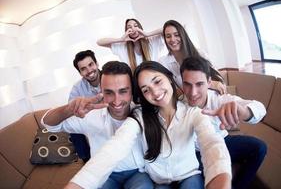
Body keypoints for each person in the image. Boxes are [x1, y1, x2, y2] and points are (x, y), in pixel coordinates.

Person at [66, 61, 232, 189]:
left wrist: (222, 178)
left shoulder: (193, 113)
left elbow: (211, 144)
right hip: (159, 182)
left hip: (189, 176)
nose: (155, 92)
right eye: (145, 89)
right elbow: (115, 148)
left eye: (157, 81)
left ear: (169, 77)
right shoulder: (140, 116)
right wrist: (78, 184)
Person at [41, 61, 154, 189]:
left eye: (123, 91)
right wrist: (69, 108)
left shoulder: (144, 113)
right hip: (105, 176)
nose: (116, 101)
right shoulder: (90, 115)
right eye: (109, 92)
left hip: (138, 173)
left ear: (132, 91)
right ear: (101, 90)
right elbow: (47, 123)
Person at [180, 56, 267, 189]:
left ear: (209, 82)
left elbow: (260, 108)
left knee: (260, 147)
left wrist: (244, 111)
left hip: (223, 141)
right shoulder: (178, 106)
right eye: (187, 84)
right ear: (182, 83)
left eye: (199, 84)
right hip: (196, 153)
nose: (193, 93)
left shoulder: (219, 99)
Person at [159, 20, 225, 93]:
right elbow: (170, 91)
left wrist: (213, 84)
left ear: (183, 35)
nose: (172, 39)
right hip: (185, 102)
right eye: (168, 36)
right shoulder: (163, 63)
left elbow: (218, 80)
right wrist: (147, 34)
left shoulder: (200, 53)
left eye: (176, 35)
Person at [97, 18, 165, 71]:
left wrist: (147, 34)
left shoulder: (152, 41)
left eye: (135, 26)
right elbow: (99, 42)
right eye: (129, 27)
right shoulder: (122, 47)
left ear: (140, 28)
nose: (133, 29)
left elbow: (166, 29)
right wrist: (120, 39)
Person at [69, 50, 101, 162]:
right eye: (83, 69)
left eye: (91, 64)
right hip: (92, 120)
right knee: (73, 125)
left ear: (97, 64)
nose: (89, 70)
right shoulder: (77, 87)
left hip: (113, 114)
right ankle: (87, 160)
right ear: (80, 73)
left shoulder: (111, 76)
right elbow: (71, 109)